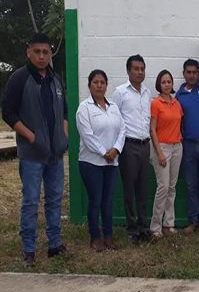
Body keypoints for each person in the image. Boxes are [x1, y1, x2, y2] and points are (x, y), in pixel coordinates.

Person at [1, 33, 69, 266]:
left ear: (51, 53)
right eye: (37, 52)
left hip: (56, 153)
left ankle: (54, 244)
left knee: (54, 199)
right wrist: (31, 136)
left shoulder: (55, 79)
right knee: (31, 200)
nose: (41, 56)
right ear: (28, 52)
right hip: (32, 154)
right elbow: (8, 113)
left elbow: (65, 111)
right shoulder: (19, 78)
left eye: (46, 52)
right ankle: (28, 248)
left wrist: (63, 134)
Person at [76, 69, 126, 251]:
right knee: (95, 199)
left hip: (112, 163)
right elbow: (87, 135)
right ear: (89, 85)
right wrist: (104, 152)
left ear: (106, 85)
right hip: (91, 163)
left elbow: (122, 129)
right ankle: (95, 237)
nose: (99, 85)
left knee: (108, 200)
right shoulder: (84, 108)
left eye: (102, 82)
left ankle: (108, 236)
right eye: (95, 82)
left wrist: (116, 150)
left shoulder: (113, 106)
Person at [112, 54, 152, 242]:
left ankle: (144, 227)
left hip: (145, 145)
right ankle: (132, 228)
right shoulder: (120, 92)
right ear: (128, 71)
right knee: (129, 188)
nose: (139, 72)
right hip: (129, 145)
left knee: (143, 189)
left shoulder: (147, 92)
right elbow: (116, 120)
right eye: (136, 69)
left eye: (142, 69)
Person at [149, 70, 184, 238]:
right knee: (162, 187)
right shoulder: (156, 103)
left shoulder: (176, 103)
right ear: (159, 84)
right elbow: (152, 129)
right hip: (161, 147)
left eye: (169, 81)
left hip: (177, 147)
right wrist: (159, 152)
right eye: (163, 82)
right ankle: (155, 227)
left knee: (172, 187)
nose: (167, 84)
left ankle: (168, 223)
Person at [176, 58, 199, 233]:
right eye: (188, 72)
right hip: (187, 145)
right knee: (190, 185)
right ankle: (193, 220)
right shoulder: (179, 96)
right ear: (183, 74)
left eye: (195, 72)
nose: (192, 75)